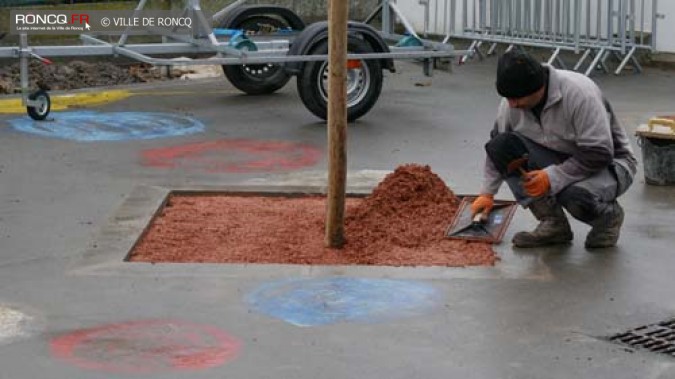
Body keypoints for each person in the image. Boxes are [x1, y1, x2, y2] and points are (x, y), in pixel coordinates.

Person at [471, 50, 637, 249]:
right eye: (508, 98)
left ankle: (607, 217)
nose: (512, 105)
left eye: (517, 98)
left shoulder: (579, 94)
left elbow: (599, 153)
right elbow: (497, 147)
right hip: (558, 156)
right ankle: (554, 224)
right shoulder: (511, 103)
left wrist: (552, 176)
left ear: (538, 88)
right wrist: (487, 193)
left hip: (610, 164)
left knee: (572, 194)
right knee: (503, 146)